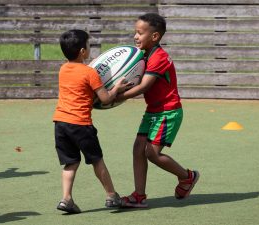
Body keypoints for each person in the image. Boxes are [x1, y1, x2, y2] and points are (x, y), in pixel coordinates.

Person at [116, 13, 200, 208]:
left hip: (167, 112)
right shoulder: (143, 55)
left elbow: (144, 86)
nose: (135, 36)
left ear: (154, 37)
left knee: (152, 153)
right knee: (138, 149)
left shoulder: (158, 57)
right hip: (153, 111)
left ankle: (187, 177)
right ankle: (139, 195)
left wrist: (114, 97)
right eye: (135, 32)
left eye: (140, 33)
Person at [53, 29, 131, 213]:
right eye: (88, 45)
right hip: (80, 125)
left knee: (70, 163)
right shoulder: (90, 73)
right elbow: (105, 98)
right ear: (82, 51)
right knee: (97, 160)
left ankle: (66, 199)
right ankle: (112, 195)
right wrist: (117, 87)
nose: (90, 48)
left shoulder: (63, 69)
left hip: (60, 123)